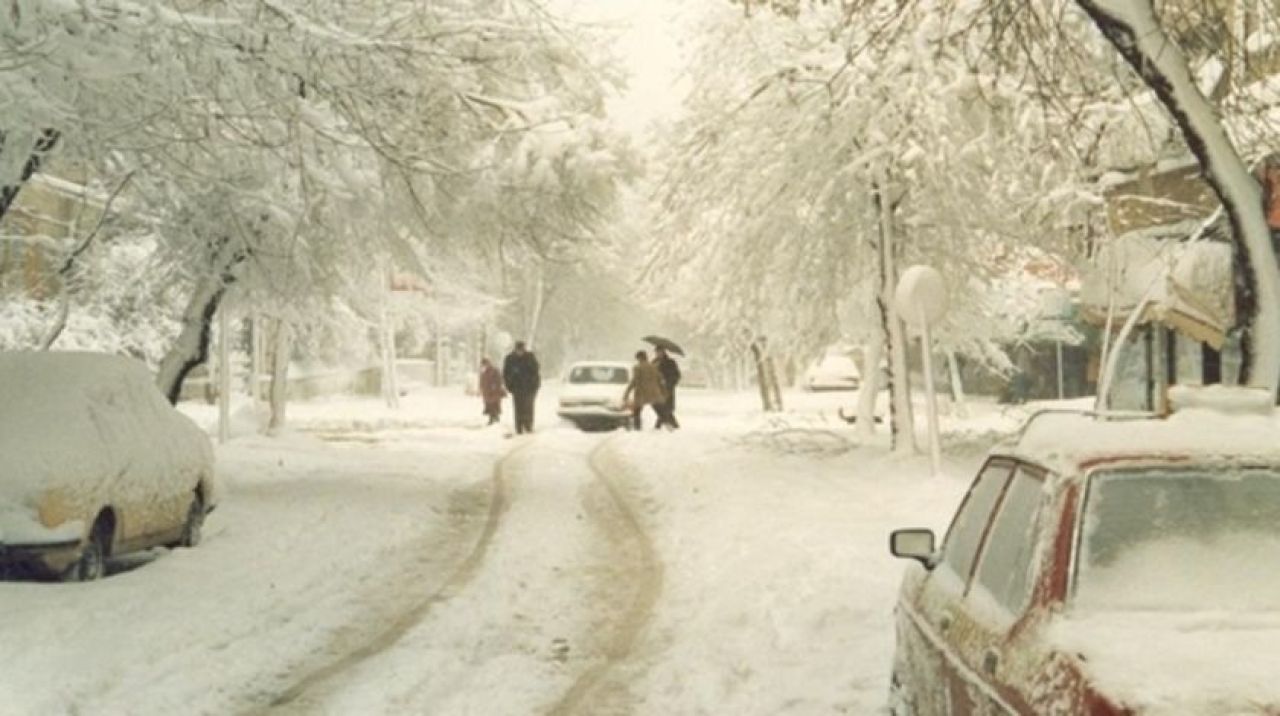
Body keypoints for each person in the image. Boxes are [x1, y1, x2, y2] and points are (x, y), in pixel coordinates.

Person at [623, 350, 670, 431]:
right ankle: (669, 426)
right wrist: (664, 391)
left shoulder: (637, 367)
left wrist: (627, 392)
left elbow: (635, 381)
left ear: (639, 358)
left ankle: (637, 428)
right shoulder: (654, 367)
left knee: (637, 411)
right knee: (660, 410)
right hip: (654, 392)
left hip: (641, 392)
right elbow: (661, 379)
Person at [502, 341, 541, 434]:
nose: (520, 352)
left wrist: (534, 384)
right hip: (517, 387)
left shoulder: (530, 357)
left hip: (529, 388)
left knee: (528, 407)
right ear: (515, 350)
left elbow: (536, 370)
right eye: (518, 350)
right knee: (518, 407)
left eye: (521, 350)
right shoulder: (510, 359)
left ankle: (528, 425)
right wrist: (509, 385)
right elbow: (505, 373)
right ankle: (519, 426)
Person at [653, 345, 682, 429]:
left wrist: (669, 383)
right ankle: (673, 424)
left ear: (664, 352)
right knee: (660, 406)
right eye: (657, 352)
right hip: (656, 388)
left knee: (667, 407)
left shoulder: (670, 362)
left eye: (660, 352)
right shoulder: (654, 362)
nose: (658, 354)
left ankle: (660, 425)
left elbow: (677, 375)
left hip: (667, 388)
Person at [478, 358, 506, 425]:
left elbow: (500, 379)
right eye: (483, 364)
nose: (484, 365)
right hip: (487, 392)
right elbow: (482, 380)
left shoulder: (495, 370)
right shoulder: (484, 371)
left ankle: (494, 418)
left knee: (494, 405)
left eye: (485, 364)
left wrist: (495, 386)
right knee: (489, 405)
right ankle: (492, 418)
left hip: (494, 391)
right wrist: (481, 388)